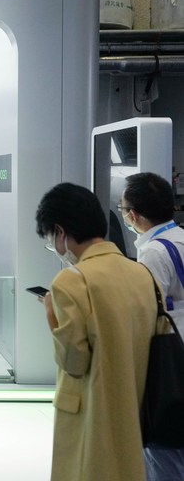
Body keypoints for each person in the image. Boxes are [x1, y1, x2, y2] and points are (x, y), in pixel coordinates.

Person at [35, 183, 156, 481]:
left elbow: (74, 362)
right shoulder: (141, 274)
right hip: (134, 407)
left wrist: (51, 313)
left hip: (90, 412)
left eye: (50, 238)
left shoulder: (71, 281)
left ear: (60, 232)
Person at [122, 172, 184, 481]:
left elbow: (146, 310)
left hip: (170, 355)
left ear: (133, 214)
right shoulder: (180, 238)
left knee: (163, 450)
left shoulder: (154, 251)